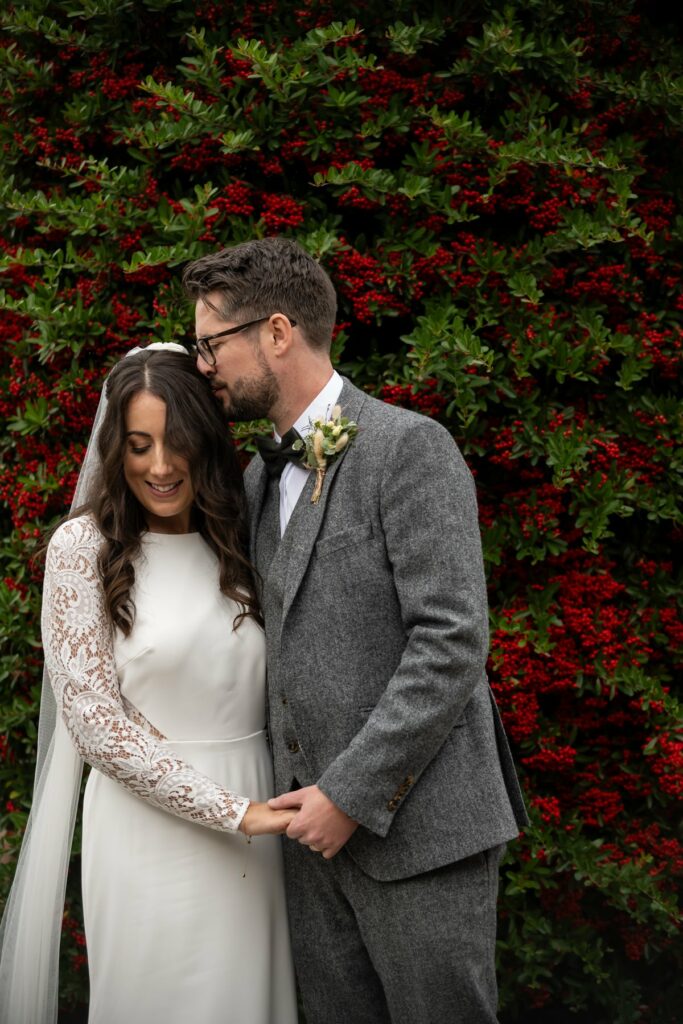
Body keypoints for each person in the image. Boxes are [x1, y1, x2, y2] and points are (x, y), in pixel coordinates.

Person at [182, 239, 529, 1024]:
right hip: (308, 848)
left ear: (276, 332)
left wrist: (347, 793)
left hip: (420, 835)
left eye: (212, 343)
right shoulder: (253, 475)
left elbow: (448, 640)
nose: (203, 364)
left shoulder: (410, 447)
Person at [0, 346, 298, 1024]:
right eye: (138, 446)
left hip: (261, 816)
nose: (159, 467)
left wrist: (263, 810)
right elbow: (95, 725)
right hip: (150, 828)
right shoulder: (83, 549)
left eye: (176, 443)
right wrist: (234, 813)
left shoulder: (241, 536)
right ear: (115, 449)